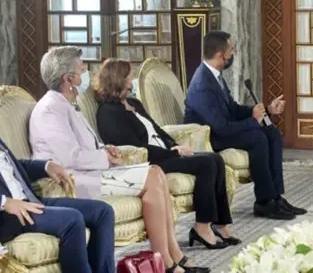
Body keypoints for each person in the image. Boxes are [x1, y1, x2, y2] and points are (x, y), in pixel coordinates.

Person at [29, 46, 209, 273]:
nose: (86, 74)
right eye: (82, 70)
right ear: (69, 78)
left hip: (91, 171)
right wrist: (104, 157)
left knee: (156, 173)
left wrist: (106, 149)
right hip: (72, 181)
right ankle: (164, 261)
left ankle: (173, 254)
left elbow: (86, 146)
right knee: (153, 175)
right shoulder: (49, 109)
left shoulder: (67, 104)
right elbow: (69, 158)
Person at [94, 58, 240, 250]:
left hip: (166, 151)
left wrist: (176, 145)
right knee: (206, 164)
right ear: (118, 79)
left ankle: (220, 224)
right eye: (129, 76)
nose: (132, 80)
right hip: (152, 161)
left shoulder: (133, 103)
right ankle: (202, 227)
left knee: (215, 159)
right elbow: (134, 146)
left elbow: (157, 129)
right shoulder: (108, 113)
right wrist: (170, 153)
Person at [183, 30, 307, 220]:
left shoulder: (215, 75)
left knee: (271, 132)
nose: (232, 55)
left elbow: (232, 109)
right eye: (230, 52)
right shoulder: (202, 84)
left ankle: (275, 196)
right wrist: (253, 121)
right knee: (257, 136)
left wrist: (265, 109)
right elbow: (220, 127)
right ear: (219, 55)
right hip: (209, 137)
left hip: (222, 129)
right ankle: (264, 202)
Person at [0, 138, 115, 273]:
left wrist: (46, 166)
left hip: (30, 200)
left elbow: (9, 167)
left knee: (103, 211)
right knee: (72, 219)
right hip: (9, 214)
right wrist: (4, 202)